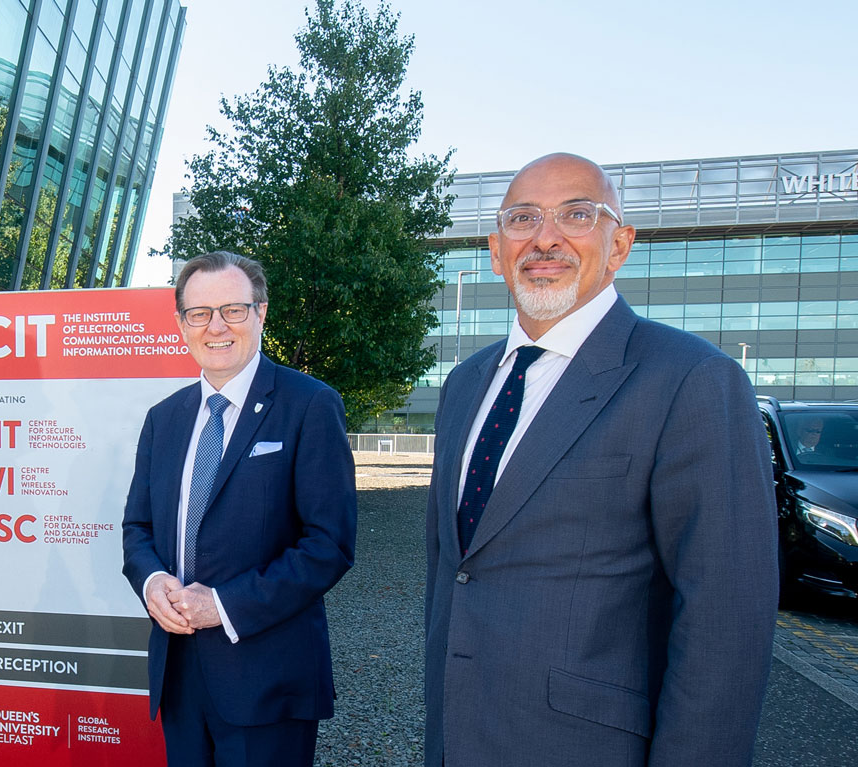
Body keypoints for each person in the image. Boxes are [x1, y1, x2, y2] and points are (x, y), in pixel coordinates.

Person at [424, 153, 778, 766]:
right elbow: (454, 570)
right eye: (522, 218)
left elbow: (726, 617)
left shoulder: (691, 379)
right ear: (496, 250)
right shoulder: (465, 384)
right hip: (458, 736)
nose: (545, 238)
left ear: (620, 245)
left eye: (577, 215)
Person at [121, 251, 357, 765]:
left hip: (266, 676)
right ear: (181, 323)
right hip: (178, 671)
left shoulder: (309, 404)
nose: (216, 327)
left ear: (260, 312)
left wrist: (224, 605)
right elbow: (137, 527)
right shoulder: (164, 418)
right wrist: (152, 581)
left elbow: (329, 545)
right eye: (199, 313)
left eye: (232, 309)